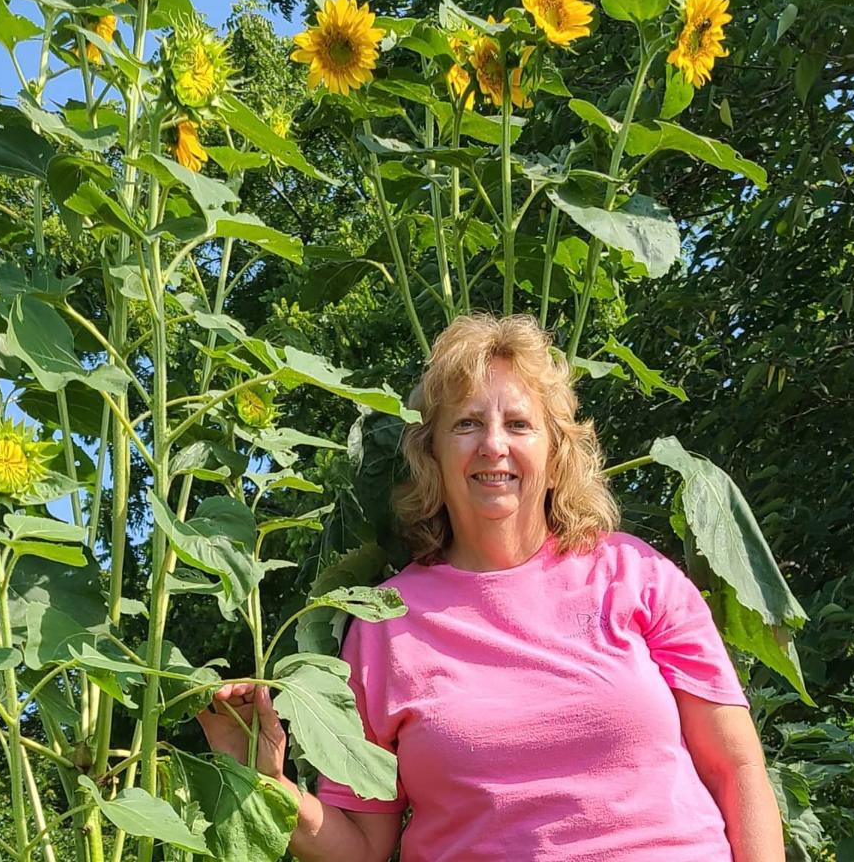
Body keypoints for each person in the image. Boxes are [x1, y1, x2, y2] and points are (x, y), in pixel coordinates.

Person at [198, 314, 786, 862]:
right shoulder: (385, 625)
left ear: (556, 454)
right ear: (430, 454)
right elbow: (362, 844)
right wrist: (266, 780)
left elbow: (737, 771)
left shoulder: (637, 576)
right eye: (467, 424)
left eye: (520, 424)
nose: (493, 445)